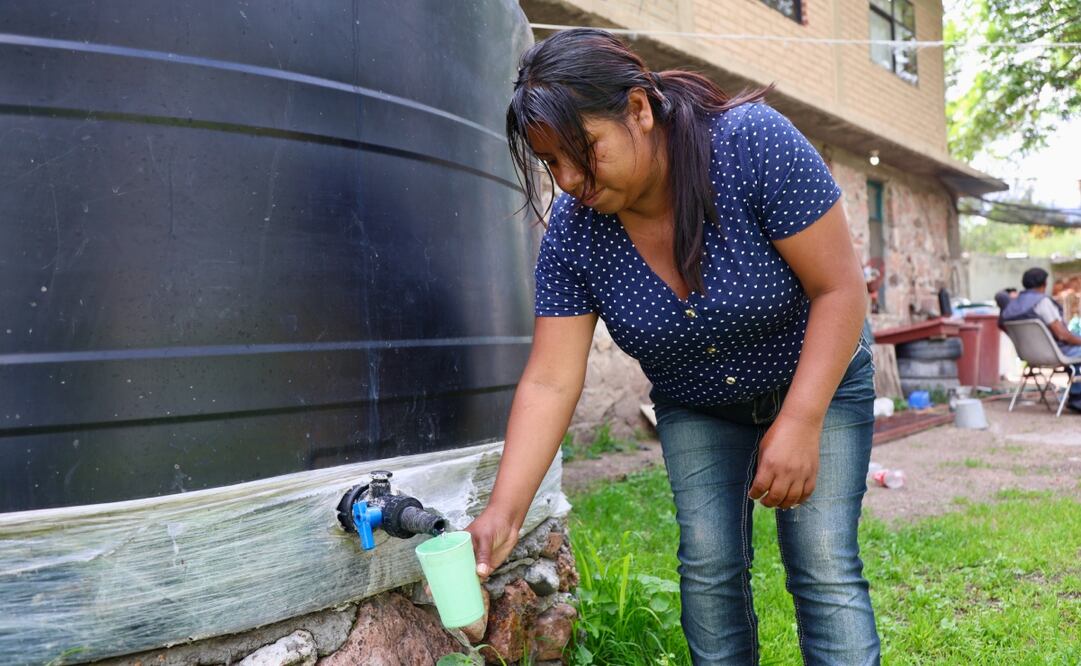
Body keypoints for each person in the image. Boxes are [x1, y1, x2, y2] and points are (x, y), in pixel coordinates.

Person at [465, 29, 880, 664]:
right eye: (551, 163)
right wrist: (504, 509)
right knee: (709, 572)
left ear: (639, 109)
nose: (570, 179)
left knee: (822, 566)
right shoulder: (574, 236)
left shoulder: (751, 145)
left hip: (815, 372)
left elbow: (840, 289)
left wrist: (800, 420)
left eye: (585, 151)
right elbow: (551, 380)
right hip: (698, 402)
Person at [999, 267, 1081, 413]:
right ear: (1044, 284)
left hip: (1028, 356)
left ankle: (1075, 394)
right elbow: (1062, 334)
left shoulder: (1012, 306)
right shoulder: (1042, 302)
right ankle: (1077, 398)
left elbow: (1003, 326)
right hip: (1054, 353)